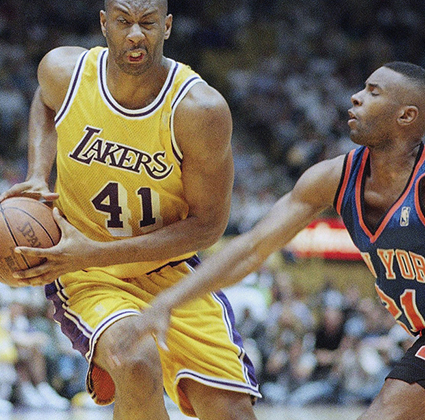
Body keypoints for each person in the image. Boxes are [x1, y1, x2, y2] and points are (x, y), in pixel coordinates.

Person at [0, 0, 260, 420]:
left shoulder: (199, 110)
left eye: (148, 23)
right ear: (104, 23)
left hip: (170, 271)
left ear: (167, 27)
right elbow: (45, 100)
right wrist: (38, 173)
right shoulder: (65, 72)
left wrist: (96, 251)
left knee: (231, 412)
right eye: (123, 21)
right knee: (136, 361)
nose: (136, 34)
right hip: (85, 272)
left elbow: (208, 226)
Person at [110, 61, 425, 420]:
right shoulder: (333, 178)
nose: (356, 97)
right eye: (362, 87)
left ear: (406, 116)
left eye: (373, 92)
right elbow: (252, 248)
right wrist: (166, 302)